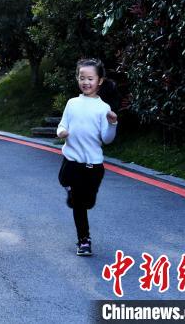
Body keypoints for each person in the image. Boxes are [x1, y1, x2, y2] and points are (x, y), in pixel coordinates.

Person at [56, 58, 118, 256]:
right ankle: (84, 240)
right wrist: (61, 132)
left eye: (90, 78)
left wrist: (112, 124)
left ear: (99, 81)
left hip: (93, 165)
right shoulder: (72, 103)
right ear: (78, 78)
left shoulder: (103, 108)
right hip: (72, 160)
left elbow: (107, 139)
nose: (86, 82)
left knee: (87, 202)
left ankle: (74, 194)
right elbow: (62, 125)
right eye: (82, 78)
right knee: (75, 197)